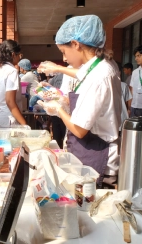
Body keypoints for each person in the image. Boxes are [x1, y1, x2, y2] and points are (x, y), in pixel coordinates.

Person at [37, 15, 122, 188]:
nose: (65, 59)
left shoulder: (99, 75)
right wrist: (64, 100)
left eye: (64, 52)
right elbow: (81, 76)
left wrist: (58, 109)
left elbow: (79, 129)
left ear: (76, 44)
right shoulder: (100, 66)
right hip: (90, 151)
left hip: (98, 158)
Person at [0, 40, 27, 127]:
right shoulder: (12, 71)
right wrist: (24, 124)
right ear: (13, 55)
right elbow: (10, 101)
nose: (19, 58)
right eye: (19, 55)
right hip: (9, 119)